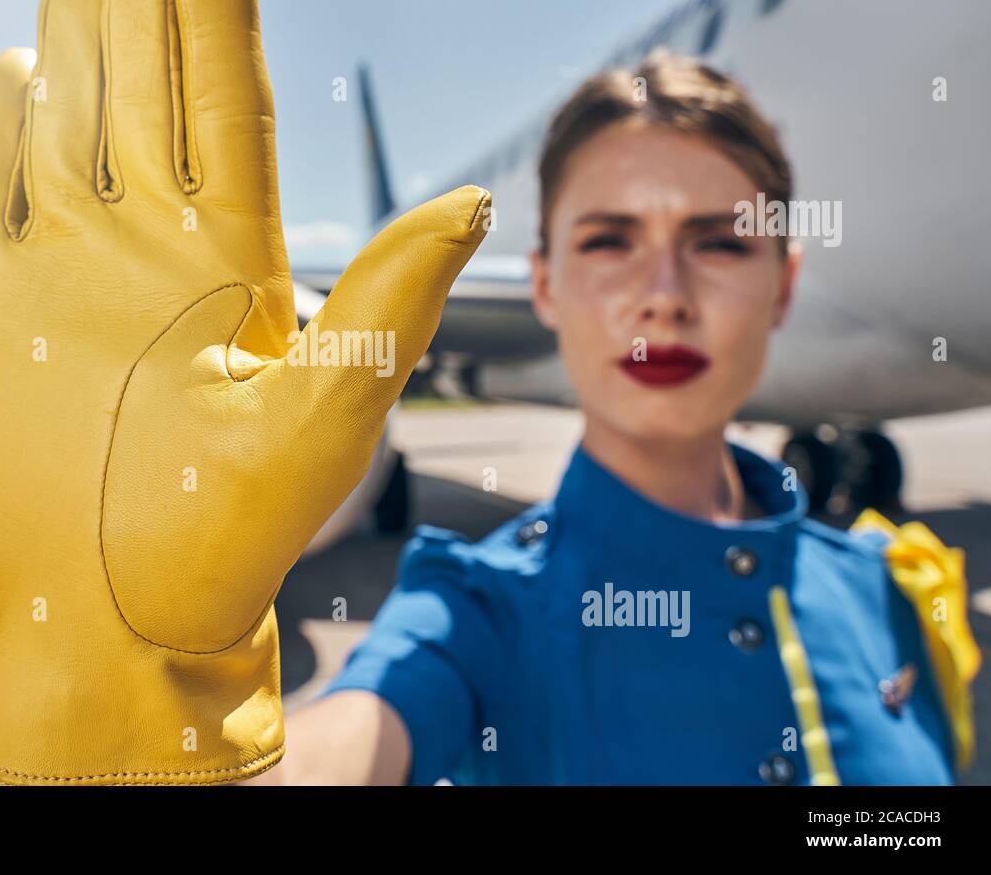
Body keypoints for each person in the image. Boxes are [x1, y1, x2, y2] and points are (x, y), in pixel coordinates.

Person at [242, 50, 981, 785]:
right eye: (607, 241)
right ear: (544, 282)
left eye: (720, 242)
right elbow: (342, 747)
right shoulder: (478, 613)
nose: (663, 296)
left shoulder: (890, 592)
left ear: (783, 284)